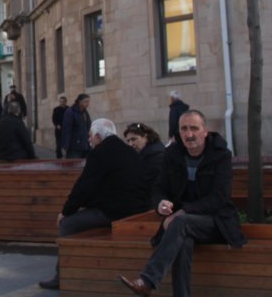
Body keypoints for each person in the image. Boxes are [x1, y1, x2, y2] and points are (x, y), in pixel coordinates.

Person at [120, 110, 245, 297]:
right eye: (184, 129)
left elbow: (219, 198)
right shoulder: (172, 154)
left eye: (194, 128)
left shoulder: (221, 155)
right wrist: (161, 203)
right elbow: (159, 187)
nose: (189, 134)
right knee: (183, 241)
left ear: (205, 131)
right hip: (181, 225)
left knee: (180, 224)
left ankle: (147, 280)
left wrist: (183, 212)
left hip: (215, 222)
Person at [39, 118, 150, 290]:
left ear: (98, 137)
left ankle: (60, 276)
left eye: (90, 136)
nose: (89, 140)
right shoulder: (128, 151)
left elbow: (83, 187)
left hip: (115, 212)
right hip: (136, 210)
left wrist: (66, 212)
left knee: (68, 224)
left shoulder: (100, 153)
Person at [124, 122, 166, 193]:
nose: (130, 144)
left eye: (134, 139)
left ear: (145, 137)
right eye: (128, 141)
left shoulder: (155, 155)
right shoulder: (146, 153)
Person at [62, 94, 91, 159]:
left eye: (88, 101)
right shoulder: (70, 112)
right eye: (85, 101)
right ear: (79, 101)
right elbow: (66, 129)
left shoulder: (85, 112)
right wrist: (66, 145)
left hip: (85, 145)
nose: (87, 104)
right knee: (73, 166)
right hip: (74, 147)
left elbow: (88, 127)